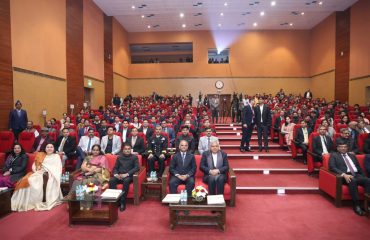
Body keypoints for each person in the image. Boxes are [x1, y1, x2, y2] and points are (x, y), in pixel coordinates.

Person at [11, 143, 63, 211]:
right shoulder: (41, 155)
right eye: (48, 147)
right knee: (27, 179)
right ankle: (25, 201)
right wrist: (37, 169)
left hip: (49, 174)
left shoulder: (56, 156)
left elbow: (57, 168)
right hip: (38, 172)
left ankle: (37, 200)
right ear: (45, 148)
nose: (49, 148)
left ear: (54, 148)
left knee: (34, 180)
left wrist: (45, 170)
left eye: (51, 147)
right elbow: (34, 165)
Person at [329, 140, 370, 216]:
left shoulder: (352, 155)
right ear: (338, 148)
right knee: (352, 181)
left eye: (345, 147)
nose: (343, 148)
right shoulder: (334, 155)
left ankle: (366, 204)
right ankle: (356, 205)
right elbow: (332, 167)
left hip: (356, 174)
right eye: (341, 147)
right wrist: (344, 174)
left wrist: (363, 176)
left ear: (347, 148)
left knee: (368, 181)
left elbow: (358, 167)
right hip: (345, 175)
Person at [109, 144, 139, 212]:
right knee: (111, 180)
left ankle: (123, 201)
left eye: (129, 149)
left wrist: (127, 174)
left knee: (126, 181)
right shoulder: (119, 157)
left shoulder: (134, 157)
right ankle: (116, 200)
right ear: (123, 150)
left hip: (129, 176)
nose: (127, 150)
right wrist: (116, 174)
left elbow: (137, 168)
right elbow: (115, 168)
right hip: (119, 175)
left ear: (130, 150)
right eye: (126, 149)